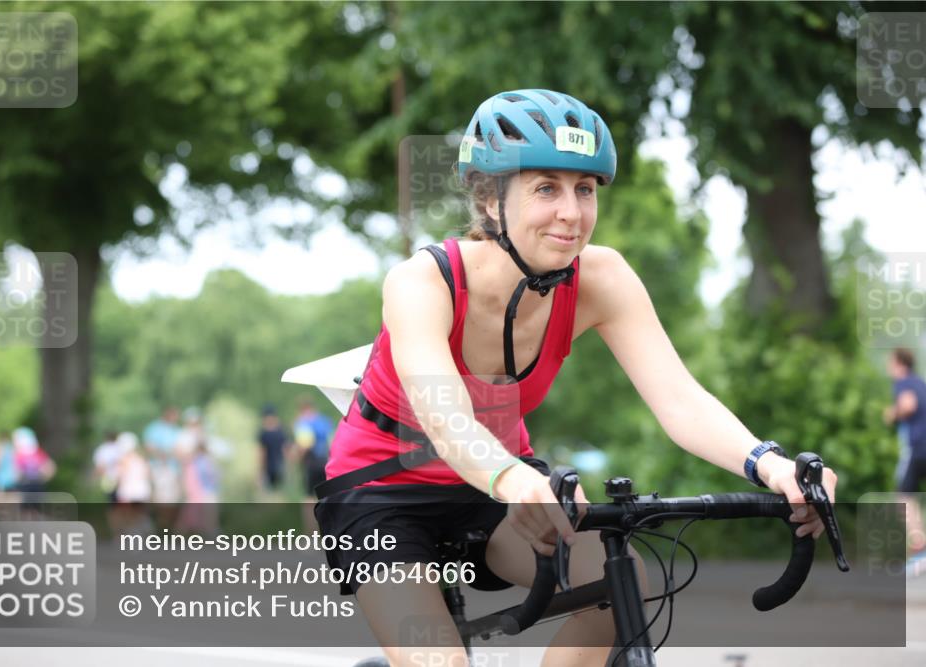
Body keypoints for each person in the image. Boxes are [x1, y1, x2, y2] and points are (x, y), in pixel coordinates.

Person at [313, 89, 839, 667]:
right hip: (383, 492)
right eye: (546, 188)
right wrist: (515, 480)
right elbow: (445, 419)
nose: (571, 211)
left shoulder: (600, 277)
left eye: (584, 189)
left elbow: (681, 400)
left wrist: (770, 465)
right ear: (490, 199)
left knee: (623, 586)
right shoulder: (422, 282)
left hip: (499, 487)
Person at [883, 347, 926, 562]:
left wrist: (893, 413)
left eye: (890, 362)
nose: (888, 366)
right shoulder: (921, 382)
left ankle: (919, 547)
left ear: (899, 363)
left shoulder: (904, 382)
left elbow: (909, 405)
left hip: (916, 447)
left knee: (904, 496)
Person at [257, 403, 288, 493]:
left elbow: (262, 454)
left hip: (270, 468)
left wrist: (260, 472)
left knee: (270, 494)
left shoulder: (263, 433)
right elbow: (286, 450)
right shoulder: (282, 431)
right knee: (279, 492)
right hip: (279, 467)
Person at [0, 430, 19, 497]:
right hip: (6, 477)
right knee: (7, 499)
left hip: (7, 478)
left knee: (5, 499)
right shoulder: (8, 447)